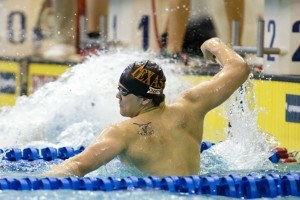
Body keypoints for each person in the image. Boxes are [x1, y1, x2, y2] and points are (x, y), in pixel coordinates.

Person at [45, 37, 250, 177]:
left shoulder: (122, 132)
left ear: (144, 99)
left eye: (124, 92)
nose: (117, 95)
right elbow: (238, 68)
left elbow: (78, 166)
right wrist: (213, 44)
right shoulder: (192, 106)